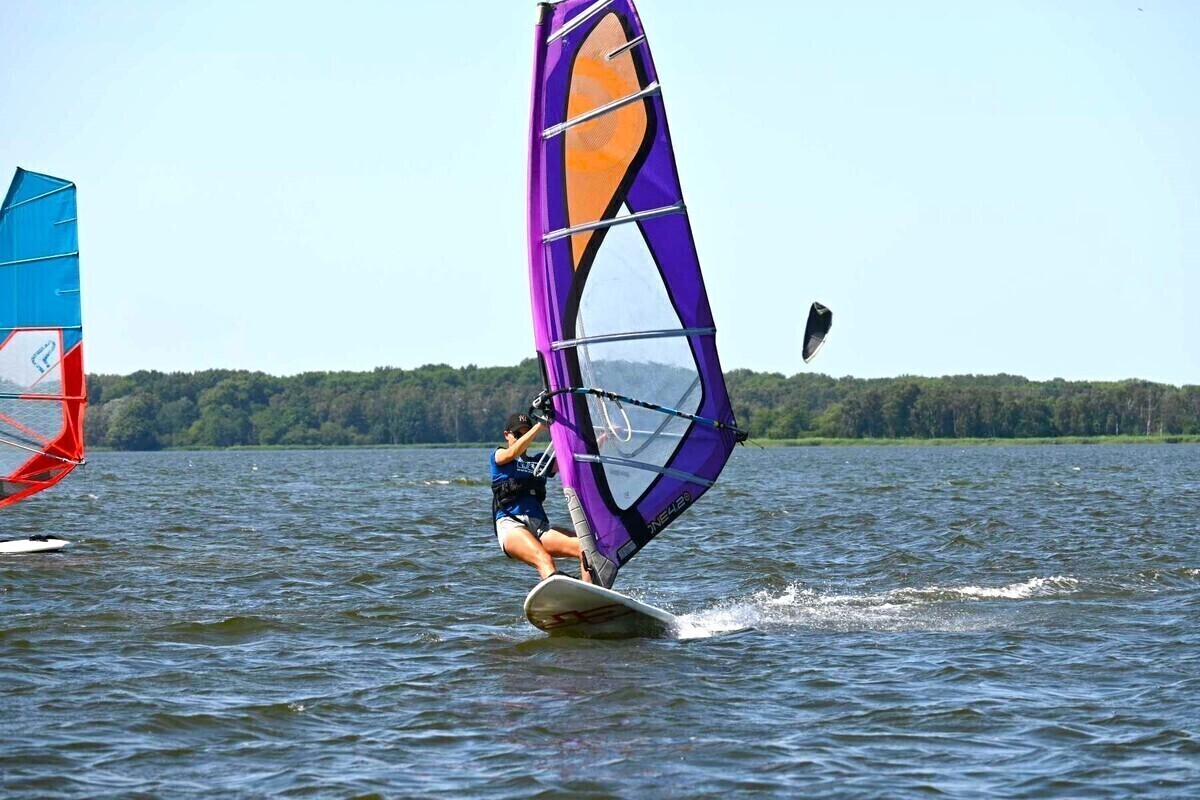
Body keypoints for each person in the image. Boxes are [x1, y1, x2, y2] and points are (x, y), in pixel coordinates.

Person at [490, 412, 591, 583]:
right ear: (506, 435)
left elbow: (573, 458)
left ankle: (592, 597)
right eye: (518, 434)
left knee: (587, 549)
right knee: (544, 559)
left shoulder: (539, 461)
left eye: (526, 432)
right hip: (511, 524)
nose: (523, 437)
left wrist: (601, 439)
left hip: (540, 527)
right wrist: (539, 426)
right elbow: (513, 452)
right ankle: (560, 598)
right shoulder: (499, 456)